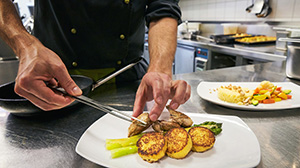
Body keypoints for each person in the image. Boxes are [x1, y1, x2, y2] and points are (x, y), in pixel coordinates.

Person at [0, 0, 191, 121]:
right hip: (53, 85)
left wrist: (160, 69)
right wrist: (25, 45)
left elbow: (163, 7)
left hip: (128, 84)